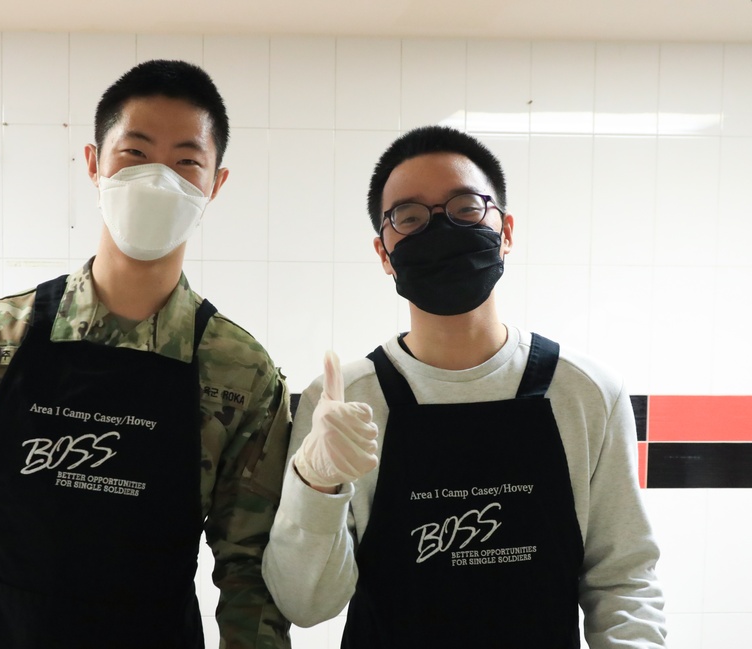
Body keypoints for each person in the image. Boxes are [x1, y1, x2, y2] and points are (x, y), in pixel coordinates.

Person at [0, 59, 292, 649]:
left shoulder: (238, 371)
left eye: (186, 161)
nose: (158, 179)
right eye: (135, 154)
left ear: (214, 185)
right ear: (94, 165)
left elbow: (249, 574)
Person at [262, 125, 667, 647]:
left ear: (506, 230)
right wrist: (315, 486)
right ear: (384, 254)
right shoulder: (345, 402)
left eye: (466, 208)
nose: (440, 229)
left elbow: (624, 581)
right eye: (409, 218)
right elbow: (305, 604)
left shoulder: (586, 392)